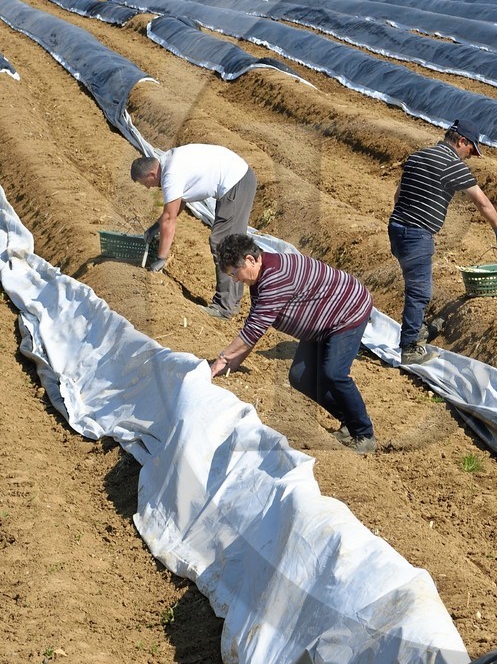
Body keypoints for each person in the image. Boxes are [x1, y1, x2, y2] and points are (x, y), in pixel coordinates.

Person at [208, 235, 377, 455]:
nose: (235, 279)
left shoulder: (275, 277)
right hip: (321, 322)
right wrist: (232, 364)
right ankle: (349, 421)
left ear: (250, 259)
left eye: (234, 273)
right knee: (300, 376)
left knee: (334, 373)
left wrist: (223, 359)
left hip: (348, 311)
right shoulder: (260, 279)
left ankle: (364, 433)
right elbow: (255, 326)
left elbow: (253, 330)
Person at [388, 120, 497, 365]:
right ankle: (411, 347)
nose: (471, 156)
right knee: (420, 291)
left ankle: (415, 329)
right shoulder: (452, 165)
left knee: (414, 283)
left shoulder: (418, 156)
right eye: (471, 150)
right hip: (417, 233)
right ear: (461, 142)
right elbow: (482, 202)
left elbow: (398, 195)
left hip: (396, 227)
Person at [131, 144, 257, 319]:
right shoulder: (169, 161)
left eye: (146, 184)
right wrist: (155, 227)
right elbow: (177, 205)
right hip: (238, 179)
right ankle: (232, 303)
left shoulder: (170, 175)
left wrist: (161, 258)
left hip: (236, 182)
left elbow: (170, 218)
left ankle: (224, 307)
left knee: (222, 243)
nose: (148, 188)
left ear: (151, 175)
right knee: (230, 243)